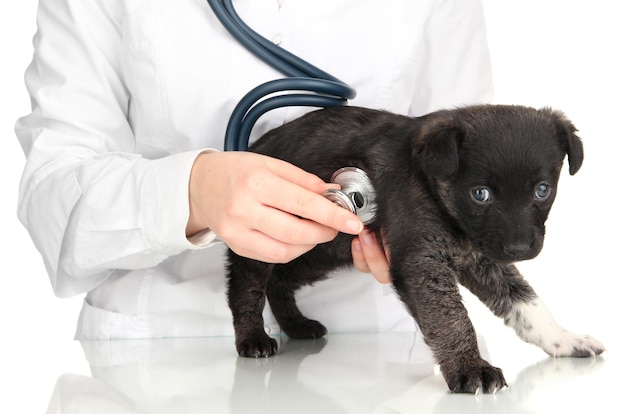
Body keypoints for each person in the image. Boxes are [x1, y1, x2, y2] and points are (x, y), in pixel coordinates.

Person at [15, 0, 493, 340]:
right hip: (161, 350)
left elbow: (469, 164)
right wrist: (192, 192)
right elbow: (51, 197)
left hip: (376, 350)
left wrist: (421, 230)